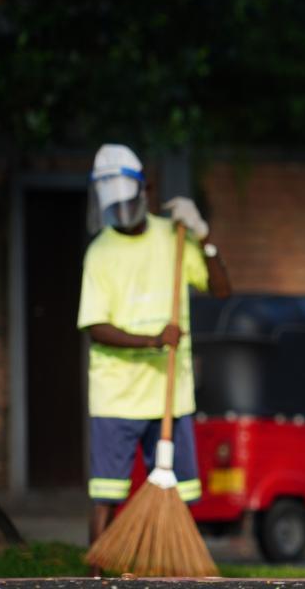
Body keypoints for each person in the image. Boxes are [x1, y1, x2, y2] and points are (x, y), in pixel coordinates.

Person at [78, 144, 231, 570]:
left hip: (171, 394)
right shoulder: (99, 254)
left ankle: (175, 571)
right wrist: (152, 341)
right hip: (117, 397)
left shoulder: (174, 238)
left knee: (180, 495)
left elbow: (220, 290)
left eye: (129, 203)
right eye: (116, 207)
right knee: (106, 494)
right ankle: (97, 578)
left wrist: (203, 235)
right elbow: (96, 328)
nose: (123, 213)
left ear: (144, 190)